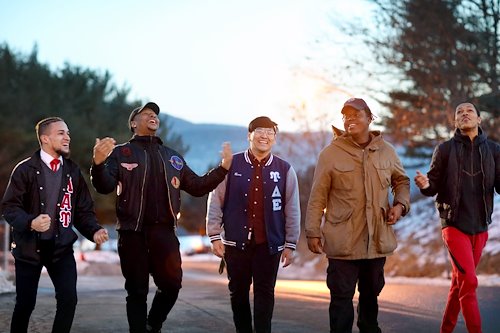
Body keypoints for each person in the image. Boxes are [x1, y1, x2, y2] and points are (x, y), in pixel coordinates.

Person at [90, 101, 233, 333]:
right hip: (132, 232)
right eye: (146, 114)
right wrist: (97, 164)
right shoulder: (121, 153)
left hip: (164, 233)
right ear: (133, 124)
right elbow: (104, 185)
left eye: (155, 114)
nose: (152, 116)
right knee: (136, 291)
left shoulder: (172, 157)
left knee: (172, 285)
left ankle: (152, 324)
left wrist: (223, 168)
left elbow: (196, 186)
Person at [305, 98, 410, 333]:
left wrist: (400, 205)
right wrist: (312, 231)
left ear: (370, 118)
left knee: (371, 293)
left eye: (356, 114)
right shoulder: (330, 154)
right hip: (342, 241)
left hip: (377, 239)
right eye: (346, 115)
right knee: (341, 297)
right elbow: (317, 196)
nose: (350, 119)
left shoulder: (387, 151)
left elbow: (401, 181)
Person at [1, 117, 109, 333]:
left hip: (61, 249)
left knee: (68, 301)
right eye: (61, 133)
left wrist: (94, 230)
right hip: (29, 250)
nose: (67, 137)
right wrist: (31, 222)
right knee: (25, 305)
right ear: (45, 138)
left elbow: (82, 211)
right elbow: (9, 207)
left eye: (68, 133)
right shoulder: (25, 169)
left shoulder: (72, 171)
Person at [206, 116, 301, 333]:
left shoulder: (285, 169)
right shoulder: (232, 164)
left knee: (265, 294)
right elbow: (215, 201)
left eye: (270, 132)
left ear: (274, 139)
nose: (264, 136)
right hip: (235, 243)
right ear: (249, 135)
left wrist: (290, 243)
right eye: (259, 131)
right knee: (238, 293)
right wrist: (213, 235)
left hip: (269, 245)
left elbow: (292, 209)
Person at [414, 102, 500, 333]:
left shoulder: (494, 150)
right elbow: (432, 185)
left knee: (459, 283)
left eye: (469, 111)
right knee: (470, 282)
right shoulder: (444, 150)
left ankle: (446, 329)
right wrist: (425, 185)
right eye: (459, 112)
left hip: (481, 227)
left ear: (479, 119)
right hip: (454, 226)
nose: (464, 114)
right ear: (455, 122)